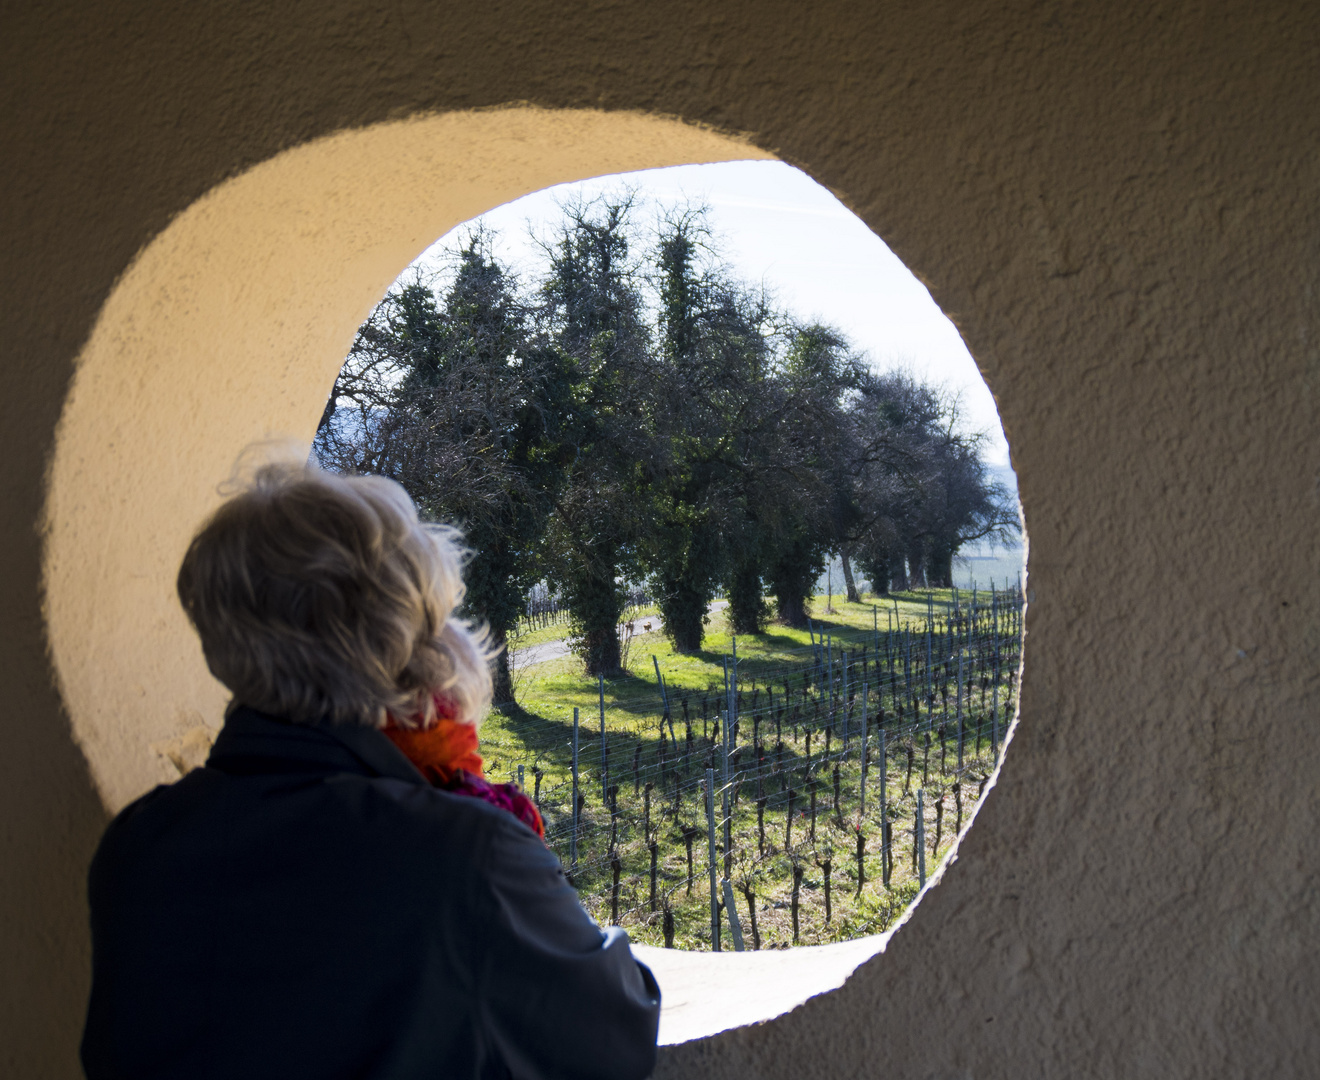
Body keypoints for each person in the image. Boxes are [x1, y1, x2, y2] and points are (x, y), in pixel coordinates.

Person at [81, 458, 660, 1079]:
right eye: (438, 619)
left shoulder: (138, 845)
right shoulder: (463, 854)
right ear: (409, 651)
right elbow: (616, 1029)